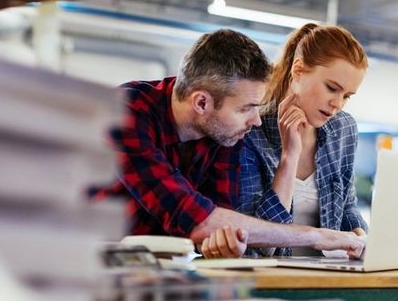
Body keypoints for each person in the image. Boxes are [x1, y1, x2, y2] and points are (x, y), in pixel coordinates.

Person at [90, 29, 365, 259]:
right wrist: (317, 236)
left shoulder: (223, 133)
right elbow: (199, 220)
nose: (256, 120)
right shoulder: (125, 112)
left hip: (161, 270)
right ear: (201, 103)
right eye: (246, 108)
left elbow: (221, 224)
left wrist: (225, 242)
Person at [203, 23, 370, 257]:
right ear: (298, 72)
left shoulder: (343, 128)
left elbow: (347, 207)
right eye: (332, 88)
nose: (338, 104)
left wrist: (363, 240)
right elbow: (257, 244)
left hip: (328, 276)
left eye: (347, 96)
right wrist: (289, 158)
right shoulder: (248, 131)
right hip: (267, 279)